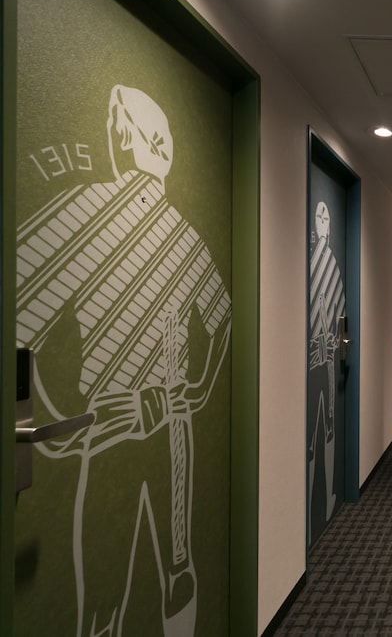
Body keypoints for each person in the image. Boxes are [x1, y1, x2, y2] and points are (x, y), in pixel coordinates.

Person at [16, 85, 231, 636]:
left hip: (158, 429)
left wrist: (195, 390)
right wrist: (61, 427)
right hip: (120, 427)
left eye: (122, 128)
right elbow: (21, 318)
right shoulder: (90, 214)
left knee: (155, 579)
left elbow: (222, 317)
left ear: (129, 139)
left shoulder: (163, 231)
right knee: (129, 586)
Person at [307, 200, 345, 543]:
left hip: (330, 360)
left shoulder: (331, 264)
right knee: (309, 438)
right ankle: (307, 516)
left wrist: (335, 340)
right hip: (310, 362)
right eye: (319, 215)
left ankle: (331, 494)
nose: (322, 221)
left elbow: (340, 313)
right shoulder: (309, 264)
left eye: (326, 216)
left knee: (330, 427)